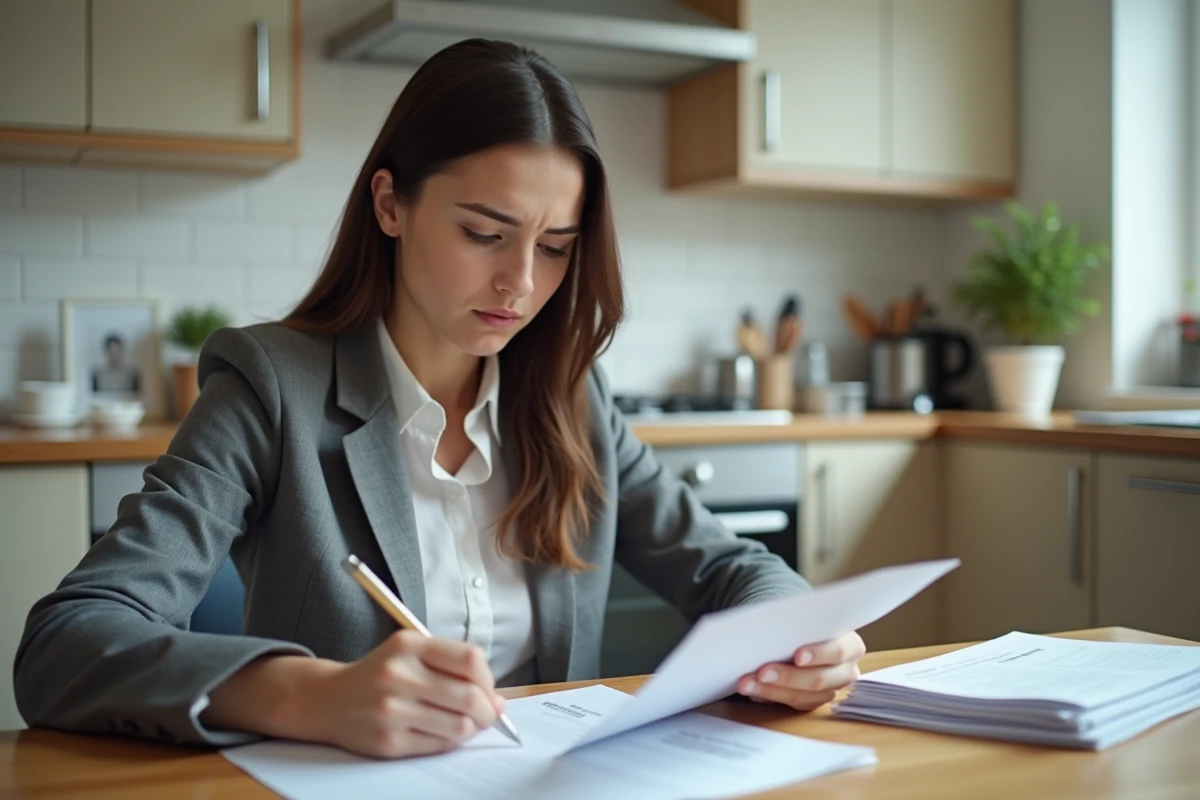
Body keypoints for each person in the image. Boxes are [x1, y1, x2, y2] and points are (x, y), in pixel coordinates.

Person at [14, 39, 864, 759]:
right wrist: (307, 696)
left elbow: (732, 567)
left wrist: (798, 635)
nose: (521, 284)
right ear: (390, 203)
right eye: (484, 234)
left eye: (556, 247)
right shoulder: (272, 387)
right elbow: (66, 642)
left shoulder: (571, 398)